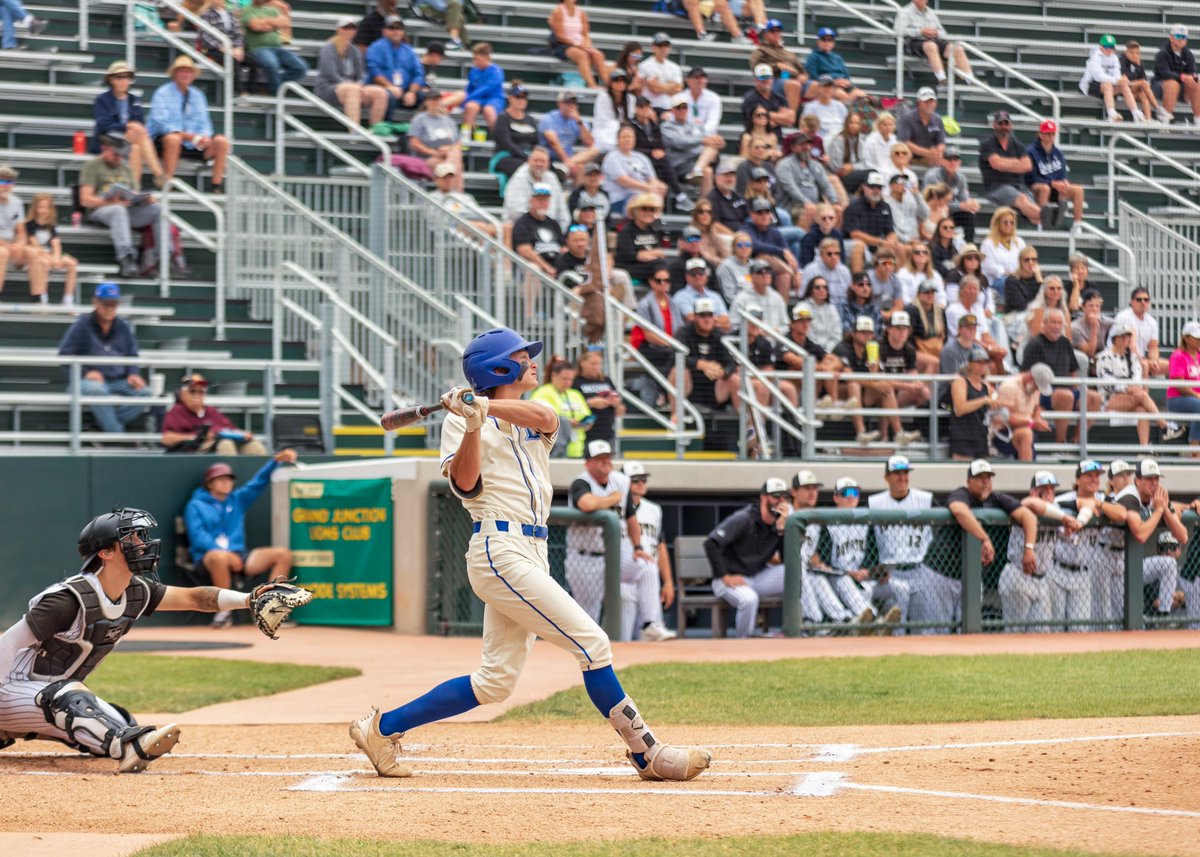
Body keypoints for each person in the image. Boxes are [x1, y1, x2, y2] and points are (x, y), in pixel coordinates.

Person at [350, 328, 712, 782]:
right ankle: (647, 753)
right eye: (522, 356)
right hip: (498, 549)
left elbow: (543, 417)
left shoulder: (531, 412)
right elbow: (465, 484)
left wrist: (483, 405)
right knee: (593, 643)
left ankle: (382, 729)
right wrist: (472, 424)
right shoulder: (458, 422)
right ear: (498, 367)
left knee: (494, 682)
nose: (533, 362)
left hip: (532, 550)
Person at [0, 508, 284, 773]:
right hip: (10, 689)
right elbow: (8, 642)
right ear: (106, 552)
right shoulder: (67, 600)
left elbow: (194, 597)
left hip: (43, 696)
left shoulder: (136, 592)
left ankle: (11, 730)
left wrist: (250, 599)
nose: (142, 544)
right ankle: (128, 748)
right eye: (131, 538)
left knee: (121, 722)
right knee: (76, 703)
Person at [185, 452, 298, 628]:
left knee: (282, 555)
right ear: (209, 483)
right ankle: (223, 613)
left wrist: (275, 461)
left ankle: (269, 611)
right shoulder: (195, 505)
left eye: (229, 479)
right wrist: (226, 554)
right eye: (220, 479)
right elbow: (198, 537)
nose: (226, 482)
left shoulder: (237, 499)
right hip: (208, 559)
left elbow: (257, 483)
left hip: (240, 556)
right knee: (219, 557)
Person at [948, 459, 1041, 628]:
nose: (985, 482)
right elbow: (959, 510)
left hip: (972, 575)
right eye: (980, 477)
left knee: (969, 628)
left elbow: (1029, 517)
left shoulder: (996, 498)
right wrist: (984, 538)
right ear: (969, 481)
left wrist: (1028, 549)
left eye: (988, 478)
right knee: (933, 629)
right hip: (942, 574)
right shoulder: (962, 493)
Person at [868, 455, 955, 634]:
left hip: (921, 571)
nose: (902, 477)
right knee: (896, 625)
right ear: (886, 477)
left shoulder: (926, 500)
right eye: (897, 473)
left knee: (925, 628)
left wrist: (934, 564)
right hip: (891, 575)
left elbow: (944, 534)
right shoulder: (873, 503)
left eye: (905, 473)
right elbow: (868, 541)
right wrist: (873, 568)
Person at [808, 476, 907, 632]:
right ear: (836, 497)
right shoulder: (826, 523)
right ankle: (875, 622)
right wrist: (849, 573)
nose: (850, 496)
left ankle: (902, 633)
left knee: (902, 588)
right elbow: (819, 561)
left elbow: (878, 557)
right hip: (839, 578)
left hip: (867, 579)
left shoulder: (867, 521)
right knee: (845, 582)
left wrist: (872, 571)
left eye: (854, 492)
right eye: (845, 492)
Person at [57, 283, 152, 435]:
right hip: (87, 381)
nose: (109, 308)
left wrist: (133, 373)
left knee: (145, 393)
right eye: (105, 303)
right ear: (95, 302)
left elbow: (132, 355)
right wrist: (86, 373)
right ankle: (118, 437)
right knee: (98, 390)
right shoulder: (82, 324)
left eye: (113, 304)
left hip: (119, 380)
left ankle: (102, 427)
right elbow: (64, 355)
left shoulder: (123, 326)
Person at [565, 439, 644, 620]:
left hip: (616, 556)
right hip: (585, 558)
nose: (606, 461)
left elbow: (631, 517)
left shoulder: (621, 481)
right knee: (588, 615)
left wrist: (638, 547)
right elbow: (587, 503)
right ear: (587, 463)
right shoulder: (581, 482)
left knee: (645, 568)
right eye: (599, 458)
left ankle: (650, 624)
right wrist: (612, 499)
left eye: (608, 457)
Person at [704, 478, 792, 638]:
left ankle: (795, 631)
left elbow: (786, 559)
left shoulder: (778, 523)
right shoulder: (745, 518)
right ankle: (743, 643)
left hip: (756, 578)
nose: (781, 501)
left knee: (794, 575)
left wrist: (782, 531)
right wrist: (724, 575)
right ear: (763, 498)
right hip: (728, 579)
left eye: (784, 497)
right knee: (749, 600)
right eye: (776, 496)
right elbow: (711, 543)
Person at [78, 134, 165, 279]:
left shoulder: (125, 168)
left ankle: (163, 257)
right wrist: (112, 202)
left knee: (158, 209)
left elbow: (133, 192)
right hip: (101, 210)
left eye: (121, 155)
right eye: (115, 154)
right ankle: (127, 259)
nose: (118, 158)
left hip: (127, 208)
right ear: (104, 149)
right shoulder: (92, 166)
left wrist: (144, 199)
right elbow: (85, 199)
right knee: (118, 210)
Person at [146, 56, 230, 191]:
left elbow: (205, 123)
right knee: (173, 138)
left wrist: (205, 137)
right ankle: (167, 182)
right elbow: (161, 124)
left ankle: (216, 186)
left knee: (221, 141)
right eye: (182, 71)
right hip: (163, 142)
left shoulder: (198, 95)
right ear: (175, 74)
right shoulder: (162, 92)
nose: (185, 74)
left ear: (193, 75)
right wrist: (189, 137)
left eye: (189, 71)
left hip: (192, 144)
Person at [834, 315, 919, 446]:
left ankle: (898, 433)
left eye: (869, 333)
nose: (867, 336)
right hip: (840, 393)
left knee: (886, 388)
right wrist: (874, 384)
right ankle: (861, 433)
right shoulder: (843, 347)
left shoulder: (874, 348)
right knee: (854, 385)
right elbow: (848, 375)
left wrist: (874, 372)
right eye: (862, 333)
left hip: (862, 394)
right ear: (854, 334)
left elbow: (875, 376)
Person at [1021, 307, 1098, 445]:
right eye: (1053, 322)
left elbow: (1072, 371)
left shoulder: (1064, 342)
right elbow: (1025, 375)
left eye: (1059, 323)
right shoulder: (1035, 344)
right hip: (1043, 394)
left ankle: (1076, 441)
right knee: (1065, 396)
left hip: (1067, 390)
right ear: (1044, 324)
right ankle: (1060, 444)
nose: (1057, 326)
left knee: (1094, 397)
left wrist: (1079, 390)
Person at [999, 471, 1063, 632]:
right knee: (1015, 632)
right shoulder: (1025, 505)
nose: (1049, 492)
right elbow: (1031, 503)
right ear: (1033, 491)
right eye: (1044, 488)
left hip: (1042, 580)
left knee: (1042, 633)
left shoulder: (1057, 511)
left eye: (1052, 489)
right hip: (1018, 575)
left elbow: (1067, 533)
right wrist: (1066, 519)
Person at [621, 462, 676, 641]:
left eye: (643, 479)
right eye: (635, 480)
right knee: (623, 637)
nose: (641, 484)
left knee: (652, 636)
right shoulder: (615, 507)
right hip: (625, 579)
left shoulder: (654, 509)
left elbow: (660, 546)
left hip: (650, 582)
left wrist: (668, 582)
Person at [91, 60, 164, 190]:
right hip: (108, 140)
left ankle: (134, 189)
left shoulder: (134, 99)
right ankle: (158, 174)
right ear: (111, 80)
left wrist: (131, 130)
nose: (123, 81)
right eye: (119, 77)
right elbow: (103, 125)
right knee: (139, 136)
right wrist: (126, 127)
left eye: (127, 77)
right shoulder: (102, 100)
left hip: (129, 140)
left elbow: (140, 122)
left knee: (135, 148)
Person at [161, 372, 268, 454]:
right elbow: (167, 439)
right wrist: (197, 437)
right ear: (183, 394)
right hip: (195, 450)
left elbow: (229, 429)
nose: (197, 395)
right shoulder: (177, 411)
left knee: (255, 447)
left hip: (218, 443)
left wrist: (243, 434)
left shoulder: (211, 411)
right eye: (193, 391)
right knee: (226, 445)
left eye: (201, 392)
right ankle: (228, 481)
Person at [1097, 323, 1167, 447]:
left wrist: (1131, 389)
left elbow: (1137, 379)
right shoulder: (1104, 357)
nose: (1126, 340)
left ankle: (1144, 448)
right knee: (1141, 396)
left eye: (1128, 337)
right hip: (1108, 399)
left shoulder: (1132, 358)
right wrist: (1127, 388)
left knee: (1142, 409)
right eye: (1122, 337)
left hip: (1131, 396)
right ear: (1115, 339)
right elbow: (1107, 383)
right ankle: (1165, 426)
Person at [316, 17, 389, 128]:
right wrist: (351, 85)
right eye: (346, 28)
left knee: (380, 93)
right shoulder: (328, 48)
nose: (349, 31)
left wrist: (360, 84)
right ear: (339, 30)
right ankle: (354, 132)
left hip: (351, 87)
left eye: (352, 28)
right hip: (329, 87)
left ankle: (375, 130)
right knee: (352, 90)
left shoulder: (354, 50)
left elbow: (361, 75)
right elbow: (329, 73)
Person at [673, 297, 740, 410]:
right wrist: (701, 364)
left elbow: (731, 363)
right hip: (690, 387)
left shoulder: (719, 335)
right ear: (694, 317)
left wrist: (723, 373)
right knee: (679, 370)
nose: (707, 319)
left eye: (710, 315)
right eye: (702, 315)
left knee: (735, 379)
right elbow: (674, 355)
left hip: (713, 387)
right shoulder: (684, 332)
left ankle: (748, 426)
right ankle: (676, 417)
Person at [777, 302, 845, 409]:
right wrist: (823, 368)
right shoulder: (784, 340)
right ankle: (813, 404)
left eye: (808, 321)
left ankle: (833, 401)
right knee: (801, 370)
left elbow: (836, 360)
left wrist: (829, 367)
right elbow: (796, 362)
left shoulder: (809, 343)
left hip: (806, 386)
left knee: (827, 365)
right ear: (792, 324)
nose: (805, 324)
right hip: (784, 386)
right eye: (801, 321)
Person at [978, 111, 1040, 228]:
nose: (1003, 127)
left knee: (1033, 216)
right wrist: (1017, 164)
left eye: (1006, 124)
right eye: (1000, 124)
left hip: (1018, 186)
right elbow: (997, 164)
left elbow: (1027, 165)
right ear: (994, 125)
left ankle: (1047, 218)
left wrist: (1006, 164)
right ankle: (1050, 218)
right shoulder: (987, 144)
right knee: (1022, 199)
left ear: (1010, 125)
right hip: (996, 187)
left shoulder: (1017, 145)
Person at [631, 96, 691, 213]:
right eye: (641, 107)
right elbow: (632, 147)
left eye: (647, 107)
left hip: (655, 160)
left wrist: (659, 151)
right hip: (638, 159)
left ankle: (660, 210)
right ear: (636, 109)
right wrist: (651, 152)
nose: (644, 110)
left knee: (663, 171)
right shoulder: (631, 125)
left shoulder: (653, 125)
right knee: (663, 166)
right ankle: (679, 195)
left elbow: (660, 143)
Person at [1026, 120, 1085, 231]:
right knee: (1045, 188)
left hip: (1054, 188)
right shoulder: (1030, 152)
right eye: (1048, 133)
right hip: (1035, 188)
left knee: (1078, 190)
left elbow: (1062, 175)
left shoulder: (1058, 153)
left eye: (1053, 134)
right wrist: (1051, 183)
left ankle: (1077, 225)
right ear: (1040, 135)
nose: (1051, 136)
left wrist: (1064, 183)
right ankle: (1041, 223)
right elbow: (1030, 177)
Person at [895, 0, 972, 83]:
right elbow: (899, 31)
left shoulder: (931, 13)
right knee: (931, 46)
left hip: (933, 39)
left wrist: (936, 33)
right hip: (913, 41)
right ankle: (942, 79)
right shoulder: (904, 12)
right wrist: (920, 31)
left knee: (957, 48)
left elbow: (943, 33)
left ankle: (970, 81)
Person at [0, 166, 47, 302]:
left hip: (10, 245)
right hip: (3, 246)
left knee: (33, 252)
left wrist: (19, 245)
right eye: (2, 182)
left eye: (9, 182)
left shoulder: (17, 202)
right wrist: (9, 247)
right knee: (2, 253)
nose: (6, 186)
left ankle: (38, 299)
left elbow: (21, 231)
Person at [775, 133, 840, 230]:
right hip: (792, 205)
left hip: (815, 203)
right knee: (810, 210)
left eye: (808, 144)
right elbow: (790, 188)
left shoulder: (815, 164)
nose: (806, 147)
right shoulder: (784, 165)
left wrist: (834, 201)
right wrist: (806, 202)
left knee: (837, 209)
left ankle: (833, 240)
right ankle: (805, 242)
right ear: (792, 147)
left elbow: (826, 185)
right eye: (801, 145)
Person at [240, 0, 307, 94]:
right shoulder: (247, 11)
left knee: (300, 67)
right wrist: (274, 24)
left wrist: (264, 23)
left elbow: (285, 23)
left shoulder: (273, 10)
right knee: (272, 65)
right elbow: (256, 26)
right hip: (258, 49)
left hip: (277, 48)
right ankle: (276, 94)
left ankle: (271, 87)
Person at [365, 17, 426, 117]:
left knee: (426, 97)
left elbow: (418, 74)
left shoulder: (408, 50)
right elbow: (374, 70)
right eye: (392, 28)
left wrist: (412, 92)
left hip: (405, 91)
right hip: (384, 89)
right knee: (389, 96)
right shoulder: (376, 47)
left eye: (399, 28)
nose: (396, 31)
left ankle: (419, 129)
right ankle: (385, 130)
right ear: (384, 31)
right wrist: (390, 87)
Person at [24, 192, 77, 306]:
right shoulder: (29, 225)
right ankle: (43, 297)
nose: (44, 210)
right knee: (44, 263)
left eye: (46, 207)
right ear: (35, 208)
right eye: (41, 207)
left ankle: (68, 299)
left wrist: (56, 258)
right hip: (38, 257)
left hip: (51, 255)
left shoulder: (51, 226)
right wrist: (49, 258)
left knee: (72, 263)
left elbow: (56, 244)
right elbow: (35, 245)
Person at [662, 94, 723, 194]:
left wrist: (717, 141)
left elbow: (707, 138)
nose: (682, 110)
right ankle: (696, 170)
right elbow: (678, 143)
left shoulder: (694, 125)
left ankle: (703, 206)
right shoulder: (666, 127)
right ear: (672, 110)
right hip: (679, 164)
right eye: (678, 108)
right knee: (710, 150)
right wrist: (702, 140)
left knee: (708, 171)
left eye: (684, 107)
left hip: (694, 161)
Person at [993, 363, 1054, 460]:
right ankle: (1026, 470)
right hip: (1003, 432)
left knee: (1027, 433)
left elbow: (1036, 407)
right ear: (1030, 378)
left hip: (1025, 428)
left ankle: (1028, 466)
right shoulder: (1009, 387)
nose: (1037, 390)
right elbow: (1003, 418)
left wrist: (1038, 421)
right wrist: (1032, 423)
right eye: (1037, 387)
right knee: (1026, 433)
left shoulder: (1034, 389)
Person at [842, 171, 900, 274]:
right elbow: (854, 234)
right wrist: (881, 242)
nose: (876, 190)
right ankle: (858, 280)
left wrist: (890, 242)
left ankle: (895, 282)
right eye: (872, 187)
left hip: (877, 246)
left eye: (879, 187)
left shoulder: (885, 207)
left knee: (900, 247)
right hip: (853, 245)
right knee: (859, 246)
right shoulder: (854, 206)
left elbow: (890, 231)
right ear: (864, 187)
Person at [601, 126, 664, 217]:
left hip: (643, 197)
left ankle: (657, 219)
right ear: (618, 140)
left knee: (661, 188)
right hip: (620, 199)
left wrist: (656, 187)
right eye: (624, 137)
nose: (628, 140)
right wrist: (647, 188)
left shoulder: (641, 158)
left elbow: (652, 179)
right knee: (643, 202)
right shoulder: (612, 157)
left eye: (630, 137)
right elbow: (623, 180)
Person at [537, 91, 600, 184]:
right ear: (559, 103)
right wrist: (566, 160)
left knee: (593, 152)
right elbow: (553, 142)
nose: (571, 105)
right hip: (549, 158)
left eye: (574, 103)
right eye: (567, 102)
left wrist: (579, 121)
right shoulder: (549, 118)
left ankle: (575, 197)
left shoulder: (579, 120)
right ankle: (565, 166)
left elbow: (589, 143)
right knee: (576, 167)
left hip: (568, 162)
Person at [1080, 33, 1143, 123]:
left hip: (1107, 86)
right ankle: (1112, 114)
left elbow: (1116, 74)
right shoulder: (1095, 57)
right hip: (1090, 85)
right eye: (1106, 46)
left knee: (1123, 84)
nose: (1109, 49)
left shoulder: (1114, 58)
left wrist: (1121, 80)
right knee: (1108, 84)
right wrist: (1117, 80)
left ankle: (1135, 113)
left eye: (1111, 47)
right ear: (1101, 47)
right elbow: (1098, 77)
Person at [923, 145, 978, 244]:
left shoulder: (961, 178)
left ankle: (969, 246)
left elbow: (963, 201)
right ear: (942, 161)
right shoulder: (933, 176)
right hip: (932, 213)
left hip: (950, 213)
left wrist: (971, 205)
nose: (953, 162)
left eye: (956, 159)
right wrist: (961, 206)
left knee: (969, 215)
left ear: (960, 162)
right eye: (949, 159)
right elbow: (935, 203)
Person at [749, 18, 805, 114]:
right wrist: (776, 66)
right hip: (773, 80)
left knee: (819, 87)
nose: (776, 33)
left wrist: (803, 76)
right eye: (772, 31)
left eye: (778, 30)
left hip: (793, 79)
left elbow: (802, 71)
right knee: (794, 85)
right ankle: (790, 117)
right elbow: (756, 69)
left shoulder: (788, 53)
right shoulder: (760, 50)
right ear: (765, 34)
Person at [948, 345, 995, 460]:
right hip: (963, 439)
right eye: (978, 362)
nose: (982, 366)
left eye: (985, 362)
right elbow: (960, 409)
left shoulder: (986, 387)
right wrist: (983, 401)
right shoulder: (960, 383)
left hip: (981, 439)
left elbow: (996, 404)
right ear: (970, 364)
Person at [408, 91, 464, 188]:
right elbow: (414, 144)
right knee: (455, 167)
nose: (436, 102)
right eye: (433, 100)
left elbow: (458, 144)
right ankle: (457, 197)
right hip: (428, 158)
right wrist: (435, 153)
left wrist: (448, 149)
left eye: (438, 99)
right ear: (426, 102)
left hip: (448, 156)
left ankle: (452, 197)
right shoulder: (419, 119)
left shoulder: (449, 121)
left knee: (454, 156)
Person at [548, 0, 607, 90]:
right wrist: (576, 44)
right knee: (582, 55)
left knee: (598, 55)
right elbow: (559, 36)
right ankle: (592, 85)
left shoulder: (581, 12)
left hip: (580, 44)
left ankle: (609, 85)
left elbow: (586, 35)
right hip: (562, 45)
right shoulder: (558, 11)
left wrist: (587, 45)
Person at [503, 148, 568, 228]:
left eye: (542, 161)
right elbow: (515, 212)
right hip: (521, 227)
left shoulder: (552, 177)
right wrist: (539, 223)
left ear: (548, 164)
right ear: (529, 161)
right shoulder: (519, 177)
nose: (539, 164)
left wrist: (561, 231)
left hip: (550, 228)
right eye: (536, 160)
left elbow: (562, 211)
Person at [1110, 286, 1168, 377]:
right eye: (1139, 299)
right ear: (1131, 301)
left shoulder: (1152, 321)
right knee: (1144, 366)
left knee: (1172, 366)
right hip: (1120, 356)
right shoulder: (1124, 317)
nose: (1143, 302)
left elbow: (1153, 347)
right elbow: (1128, 346)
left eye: (1146, 299)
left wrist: (1153, 360)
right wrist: (1142, 360)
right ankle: (1143, 391)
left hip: (1139, 358)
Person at [511, 183, 564, 279]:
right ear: (531, 201)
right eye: (539, 199)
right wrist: (546, 267)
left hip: (556, 263)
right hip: (533, 265)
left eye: (545, 200)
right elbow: (524, 250)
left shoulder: (553, 224)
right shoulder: (523, 223)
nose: (542, 203)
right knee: (533, 269)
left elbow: (563, 248)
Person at [450, 43, 505, 135]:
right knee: (470, 107)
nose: (475, 62)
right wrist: (464, 104)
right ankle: (466, 137)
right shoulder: (473, 71)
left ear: (487, 57)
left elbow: (486, 89)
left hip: (494, 99)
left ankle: (499, 139)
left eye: (478, 59)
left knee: (489, 110)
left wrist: (465, 99)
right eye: (474, 59)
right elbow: (469, 89)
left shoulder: (497, 71)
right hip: (477, 99)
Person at [429, 163, 497, 238]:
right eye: (444, 177)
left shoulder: (465, 197)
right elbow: (437, 221)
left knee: (502, 228)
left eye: (450, 177)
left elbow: (478, 213)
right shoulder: (431, 198)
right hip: (448, 230)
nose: (448, 180)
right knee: (483, 228)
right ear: (436, 179)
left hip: (471, 224)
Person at [574, 348, 623, 446]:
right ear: (582, 363)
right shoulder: (575, 382)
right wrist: (589, 403)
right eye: (592, 364)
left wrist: (616, 404)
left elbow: (620, 410)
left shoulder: (606, 380)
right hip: (586, 435)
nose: (596, 367)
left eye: (599, 364)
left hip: (607, 434)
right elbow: (568, 405)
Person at [1153, 25, 1200, 126]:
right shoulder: (1162, 53)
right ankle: (1165, 121)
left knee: (1197, 83)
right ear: (1171, 37)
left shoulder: (1188, 54)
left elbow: (1193, 73)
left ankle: (1198, 122)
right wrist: (1183, 77)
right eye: (1179, 36)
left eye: (1184, 37)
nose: (1181, 40)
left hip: (1181, 88)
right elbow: (1164, 74)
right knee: (1173, 84)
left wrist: (1192, 78)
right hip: (1160, 86)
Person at [803, 27, 866, 103]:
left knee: (862, 96)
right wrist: (833, 82)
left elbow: (846, 76)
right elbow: (813, 77)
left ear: (833, 43)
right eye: (823, 39)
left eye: (830, 40)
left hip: (843, 85)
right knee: (842, 95)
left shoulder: (837, 58)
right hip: (827, 86)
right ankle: (848, 113)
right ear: (818, 42)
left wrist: (846, 82)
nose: (827, 42)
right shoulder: (813, 57)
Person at [613, 192, 665, 282]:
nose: (648, 212)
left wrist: (646, 254)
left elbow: (659, 253)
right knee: (660, 265)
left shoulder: (654, 230)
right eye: (644, 209)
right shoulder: (626, 231)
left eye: (652, 209)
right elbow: (627, 256)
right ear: (635, 211)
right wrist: (644, 255)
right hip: (629, 268)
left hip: (651, 266)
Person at [1166, 321, 1200, 456]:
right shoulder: (1178, 355)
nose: (1198, 340)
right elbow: (1180, 386)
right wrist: (1197, 396)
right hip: (1177, 399)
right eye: (1195, 337)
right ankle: (1194, 451)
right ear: (1185, 338)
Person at [490, 83, 537, 181]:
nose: (521, 100)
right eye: (518, 97)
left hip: (528, 157)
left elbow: (536, 142)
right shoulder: (503, 118)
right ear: (510, 98)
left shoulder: (531, 120)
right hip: (506, 157)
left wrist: (534, 156)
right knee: (524, 169)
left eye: (524, 97)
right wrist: (526, 157)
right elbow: (505, 143)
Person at [980, 207, 1026, 303]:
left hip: (1016, 278)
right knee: (1011, 283)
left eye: (1011, 222)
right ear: (997, 224)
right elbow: (989, 266)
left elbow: (1024, 260)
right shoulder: (988, 243)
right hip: (996, 280)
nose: (1009, 225)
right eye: (1005, 222)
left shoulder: (1019, 242)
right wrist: (1007, 273)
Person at [730, 257, 787, 333]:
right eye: (760, 272)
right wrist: (753, 332)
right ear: (751, 277)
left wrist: (777, 331)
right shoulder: (741, 299)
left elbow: (786, 326)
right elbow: (734, 325)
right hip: (752, 342)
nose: (765, 275)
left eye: (768, 271)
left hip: (776, 341)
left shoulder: (777, 298)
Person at [896, 87, 946, 169]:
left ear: (935, 103)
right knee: (901, 156)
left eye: (931, 101)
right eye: (926, 102)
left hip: (928, 157)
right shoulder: (907, 118)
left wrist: (938, 153)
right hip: (907, 155)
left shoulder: (938, 119)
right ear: (918, 103)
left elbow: (941, 142)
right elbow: (905, 143)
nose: (929, 104)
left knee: (945, 161)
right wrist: (928, 153)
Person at [672, 258, 730, 328]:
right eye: (693, 273)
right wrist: (717, 320)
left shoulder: (715, 296)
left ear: (706, 275)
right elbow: (693, 320)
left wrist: (705, 320)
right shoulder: (680, 296)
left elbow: (727, 322)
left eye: (701, 272)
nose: (697, 276)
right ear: (686, 276)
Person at [1121, 41, 1170, 124]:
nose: (1135, 55)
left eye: (1137, 53)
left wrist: (1138, 66)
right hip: (1122, 89)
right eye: (1132, 53)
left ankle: (1148, 119)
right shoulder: (1122, 61)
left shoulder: (1140, 63)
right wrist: (1137, 67)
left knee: (1143, 94)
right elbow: (1125, 77)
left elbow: (1143, 78)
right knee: (1143, 83)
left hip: (1133, 91)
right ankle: (1158, 109)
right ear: (1126, 52)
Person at [827, 112, 872, 197]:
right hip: (841, 177)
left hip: (853, 174)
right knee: (870, 174)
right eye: (851, 123)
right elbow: (836, 167)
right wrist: (846, 168)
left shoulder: (860, 142)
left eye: (857, 123)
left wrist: (852, 167)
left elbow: (864, 163)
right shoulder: (838, 140)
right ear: (846, 124)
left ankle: (860, 196)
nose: (854, 126)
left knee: (872, 174)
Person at [742, 63, 795, 135]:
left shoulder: (778, 97)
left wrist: (767, 116)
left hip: (777, 139)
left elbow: (791, 120)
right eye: (762, 78)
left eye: (768, 77)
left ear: (772, 79)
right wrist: (780, 117)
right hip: (756, 139)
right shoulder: (750, 98)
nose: (765, 80)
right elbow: (758, 123)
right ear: (756, 80)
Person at [906, 279, 946, 371]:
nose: (930, 295)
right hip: (916, 350)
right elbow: (909, 337)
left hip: (937, 349)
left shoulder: (940, 311)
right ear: (919, 295)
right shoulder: (912, 310)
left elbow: (945, 335)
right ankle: (922, 386)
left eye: (932, 293)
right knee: (934, 362)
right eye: (926, 293)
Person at [638, 32, 683, 112]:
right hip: (650, 108)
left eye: (666, 45)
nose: (663, 48)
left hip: (670, 108)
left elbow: (678, 88)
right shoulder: (645, 65)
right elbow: (654, 88)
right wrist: (670, 85)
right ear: (653, 47)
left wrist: (660, 85)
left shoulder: (675, 67)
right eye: (659, 45)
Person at [1071, 287, 1113, 372]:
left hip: (1101, 359)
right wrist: (1094, 328)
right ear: (1083, 307)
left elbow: (1122, 326)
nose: (1094, 309)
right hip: (1082, 361)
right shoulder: (1075, 328)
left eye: (1097, 306)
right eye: (1091, 306)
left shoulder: (1105, 322)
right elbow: (1089, 352)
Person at [592, 68, 634, 152]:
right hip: (604, 129)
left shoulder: (631, 98)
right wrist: (619, 126)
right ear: (611, 83)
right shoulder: (603, 97)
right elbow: (604, 120)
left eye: (623, 81)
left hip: (623, 129)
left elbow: (630, 117)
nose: (620, 83)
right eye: (616, 80)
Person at [801, 236, 851, 302]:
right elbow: (803, 295)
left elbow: (849, 296)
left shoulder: (845, 271)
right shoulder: (811, 270)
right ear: (821, 255)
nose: (834, 257)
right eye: (829, 254)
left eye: (837, 253)